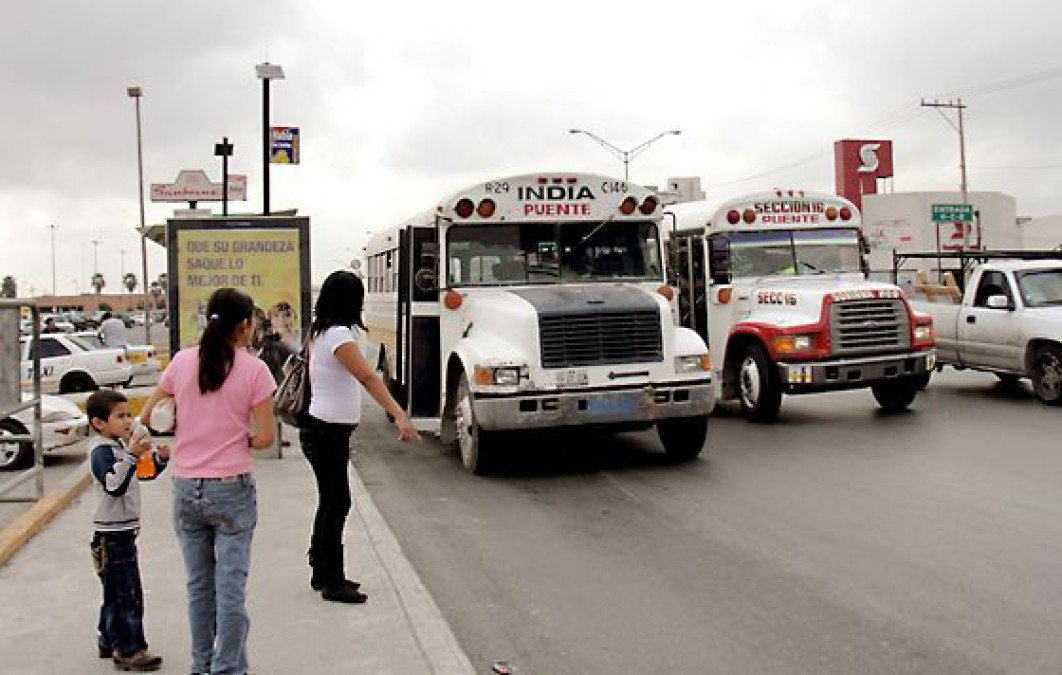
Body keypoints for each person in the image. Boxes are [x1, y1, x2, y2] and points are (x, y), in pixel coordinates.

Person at [137, 287, 276, 675]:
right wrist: (238, 438)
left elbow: (147, 417)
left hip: (186, 488)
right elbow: (265, 438)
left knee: (199, 587)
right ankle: (227, 668)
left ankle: (201, 666)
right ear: (244, 325)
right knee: (231, 590)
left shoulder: (182, 362)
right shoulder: (255, 371)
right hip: (231, 489)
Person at [301, 270, 418, 603]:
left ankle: (322, 570)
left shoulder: (320, 332)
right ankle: (331, 581)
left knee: (331, 501)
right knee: (338, 502)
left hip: (322, 430)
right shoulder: (338, 336)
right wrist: (399, 414)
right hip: (327, 432)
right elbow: (368, 377)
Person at [87, 389, 168, 672]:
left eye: (129, 415)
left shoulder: (118, 447)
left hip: (122, 532)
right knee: (127, 594)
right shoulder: (101, 451)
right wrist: (131, 456)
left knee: (114, 591)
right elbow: (114, 485)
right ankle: (130, 649)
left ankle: (109, 638)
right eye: (120, 416)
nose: (128, 422)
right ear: (99, 423)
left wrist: (158, 461)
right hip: (112, 536)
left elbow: (139, 474)